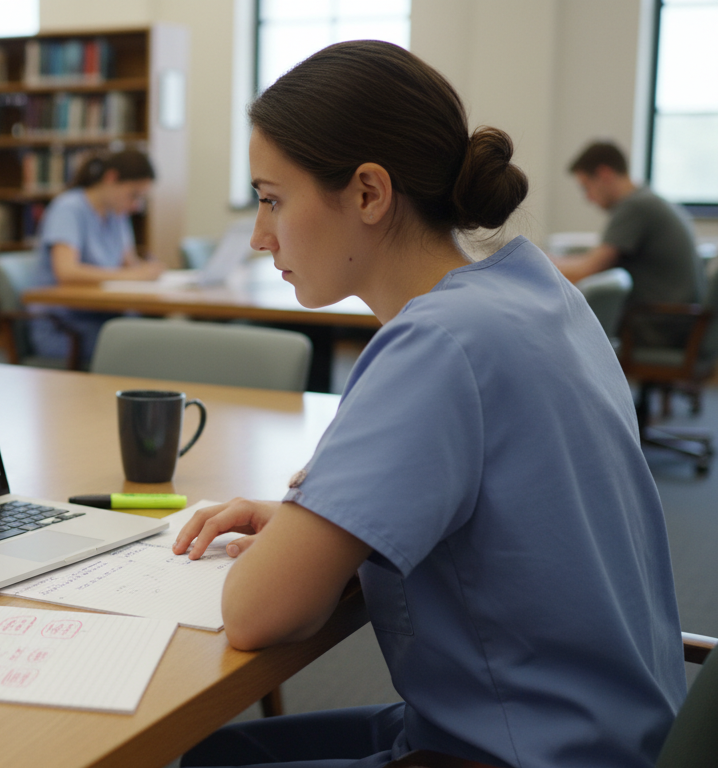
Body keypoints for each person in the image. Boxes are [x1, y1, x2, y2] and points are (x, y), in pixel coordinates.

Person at [173, 41, 684, 768]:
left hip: (530, 749)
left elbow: (256, 613)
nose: (260, 237)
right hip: (619, 725)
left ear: (369, 193)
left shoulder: (437, 345)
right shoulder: (536, 292)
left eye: (272, 199)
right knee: (223, 754)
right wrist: (313, 524)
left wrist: (305, 534)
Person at [553, 140, 704, 346]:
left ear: (604, 174)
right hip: (680, 323)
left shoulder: (634, 207)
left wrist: (537, 264)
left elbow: (587, 270)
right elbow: (593, 261)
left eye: (586, 187)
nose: (587, 198)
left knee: (560, 331)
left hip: (659, 326)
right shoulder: (647, 200)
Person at [29, 149, 164, 363]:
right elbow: (66, 272)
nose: (136, 205)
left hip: (106, 318)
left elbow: (130, 265)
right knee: (146, 352)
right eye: (133, 195)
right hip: (66, 327)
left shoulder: (117, 214)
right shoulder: (69, 209)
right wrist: (135, 275)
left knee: (160, 341)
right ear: (111, 178)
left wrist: (149, 270)